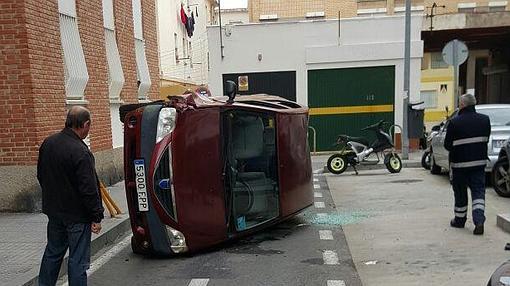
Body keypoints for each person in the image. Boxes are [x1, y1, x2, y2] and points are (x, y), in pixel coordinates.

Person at [37, 106, 104, 285]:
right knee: (78, 260)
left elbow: (41, 175)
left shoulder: (48, 143)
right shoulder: (81, 151)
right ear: (85, 124)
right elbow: (88, 189)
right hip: (77, 216)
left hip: (55, 213)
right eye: (90, 126)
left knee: (53, 253)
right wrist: (96, 216)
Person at [444, 94, 491, 235]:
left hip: (459, 166)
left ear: (462, 105)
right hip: (479, 164)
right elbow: (486, 139)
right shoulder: (484, 120)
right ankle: (479, 220)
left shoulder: (454, 122)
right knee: (478, 192)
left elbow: (447, 145)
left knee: (460, 193)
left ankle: (459, 220)